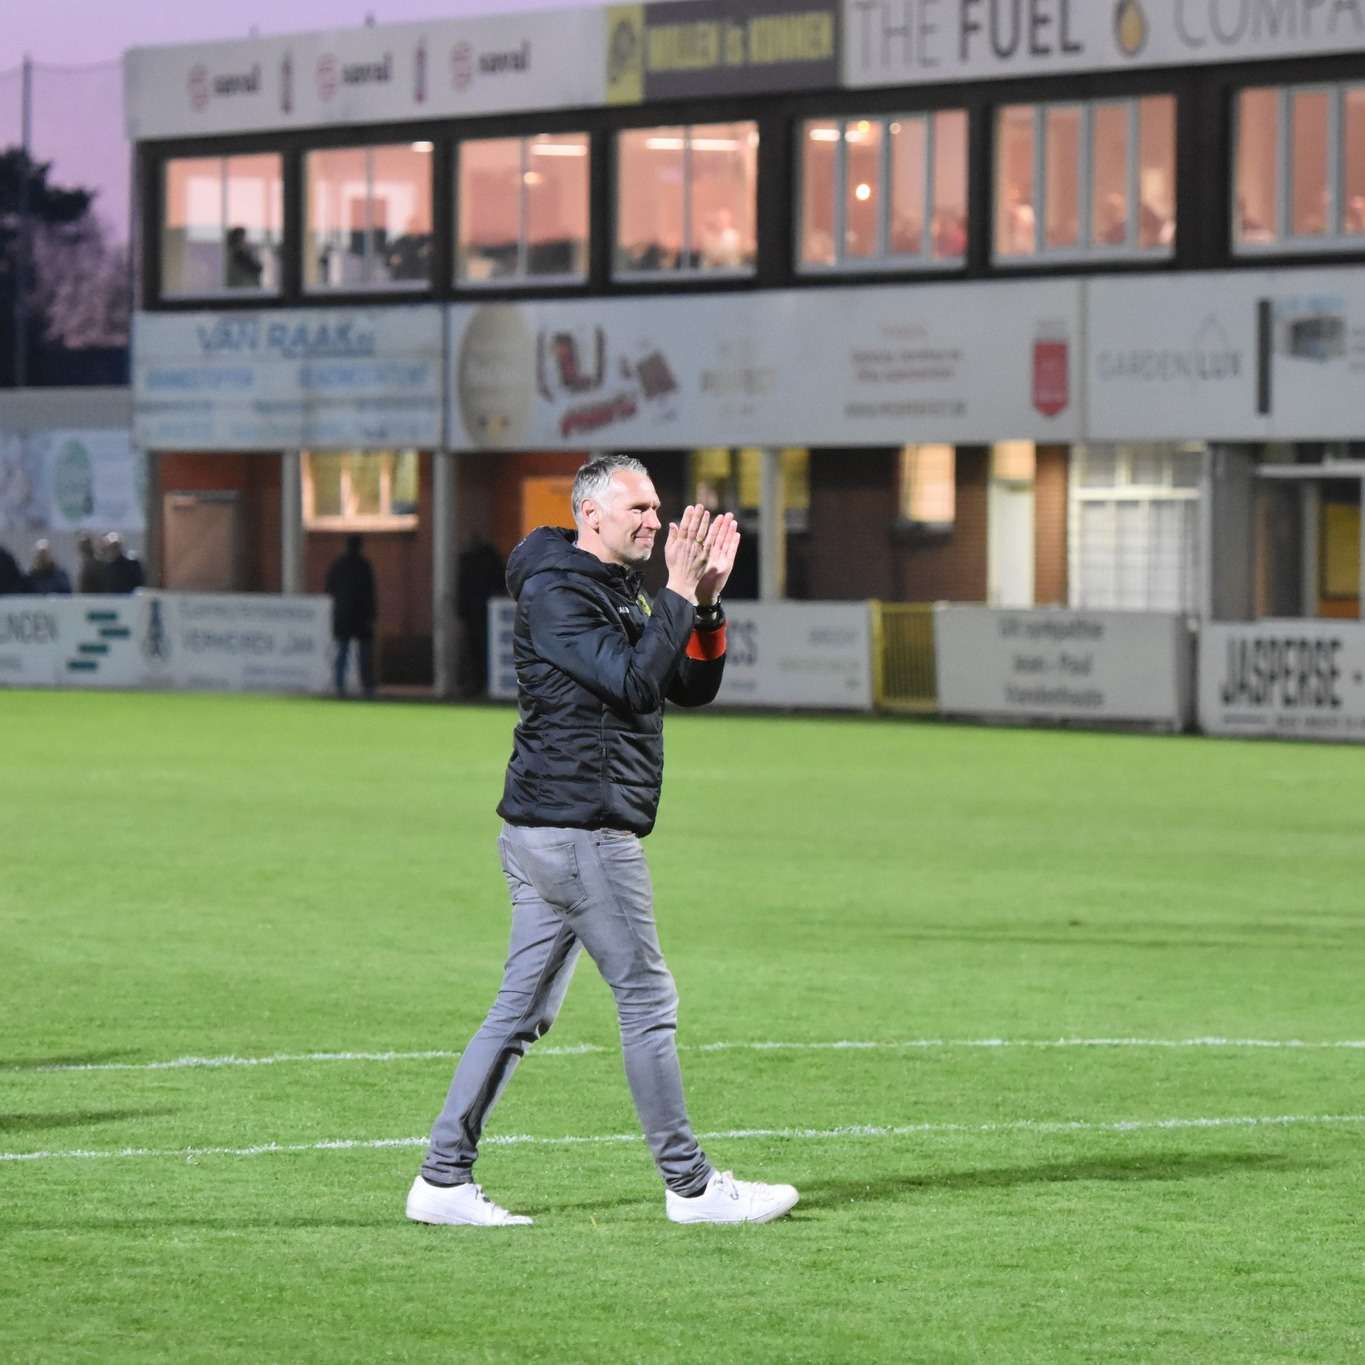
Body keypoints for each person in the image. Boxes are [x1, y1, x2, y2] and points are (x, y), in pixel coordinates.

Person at [407, 454, 798, 1229]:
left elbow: (688, 685)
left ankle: (442, 1179)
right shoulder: (559, 592)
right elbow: (631, 683)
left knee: (520, 1010)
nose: (656, 521)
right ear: (590, 515)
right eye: (640, 510)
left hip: (549, 828)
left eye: (657, 508)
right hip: (580, 830)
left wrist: (707, 607)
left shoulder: (613, 586)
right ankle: (690, 1188)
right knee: (647, 999)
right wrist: (679, 594)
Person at [324, 533, 377, 698]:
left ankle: (340, 686)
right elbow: (371, 592)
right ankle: (367, 687)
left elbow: (329, 588)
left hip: (343, 615)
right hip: (361, 616)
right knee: (364, 655)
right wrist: (373, 615)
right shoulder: (364, 565)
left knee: (343, 653)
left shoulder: (338, 565)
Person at [456, 534, 505, 697]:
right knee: (484, 649)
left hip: (473, 613)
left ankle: (476, 684)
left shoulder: (467, 562)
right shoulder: (491, 561)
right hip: (484, 612)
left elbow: (462, 588)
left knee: (474, 650)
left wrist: (461, 610)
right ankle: (483, 683)